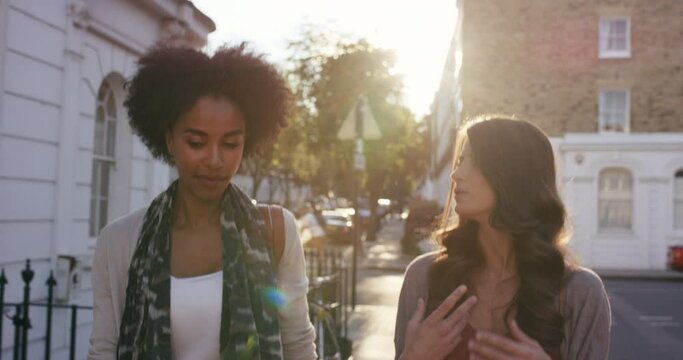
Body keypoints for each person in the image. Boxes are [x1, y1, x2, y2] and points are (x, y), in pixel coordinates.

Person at [88, 44, 316, 360]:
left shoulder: (276, 231)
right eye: (196, 142)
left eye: (230, 143)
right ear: (169, 139)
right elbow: (103, 351)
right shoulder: (119, 242)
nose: (214, 160)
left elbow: (298, 346)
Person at [394, 116, 611, 360]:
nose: (456, 174)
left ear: (514, 175)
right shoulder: (423, 277)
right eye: (460, 160)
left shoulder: (579, 293)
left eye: (474, 161)